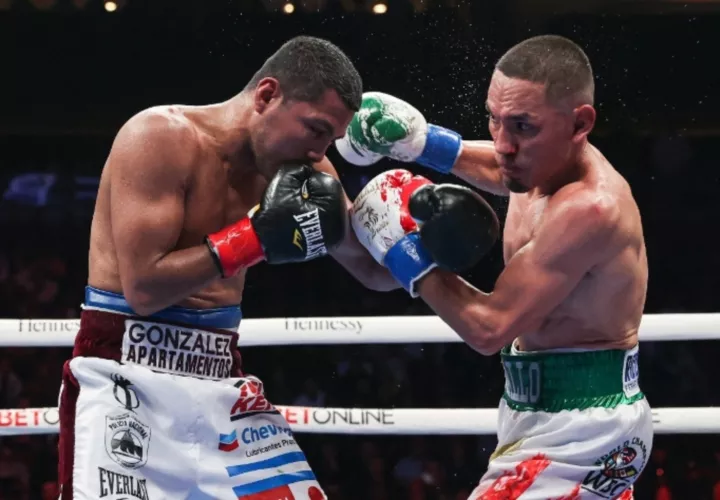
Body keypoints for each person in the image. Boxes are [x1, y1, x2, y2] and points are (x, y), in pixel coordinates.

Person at [57, 36, 411, 500]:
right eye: (315, 129)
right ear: (267, 95)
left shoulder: (307, 171)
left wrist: (420, 242)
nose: (320, 151)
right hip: (125, 370)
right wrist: (255, 237)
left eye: (330, 138)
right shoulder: (159, 137)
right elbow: (144, 290)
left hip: (220, 375)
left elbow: (371, 272)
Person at [337, 34, 652, 499]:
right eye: (494, 119)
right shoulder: (538, 167)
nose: (504, 144)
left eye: (523, 126)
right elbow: (499, 169)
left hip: (584, 430)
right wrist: (419, 143)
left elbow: (489, 328)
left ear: (580, 123)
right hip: (536, 413)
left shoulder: (590, 208)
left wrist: (404, 251)